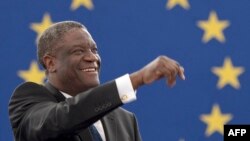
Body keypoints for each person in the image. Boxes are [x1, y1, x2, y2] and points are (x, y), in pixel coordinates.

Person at [8, 21, 185, 141]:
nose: (92, 57)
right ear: (51, 63)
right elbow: (66, 117)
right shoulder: (28, 100)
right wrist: (136, 79)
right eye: (78, 51)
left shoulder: (126, 120)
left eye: (95, 50)